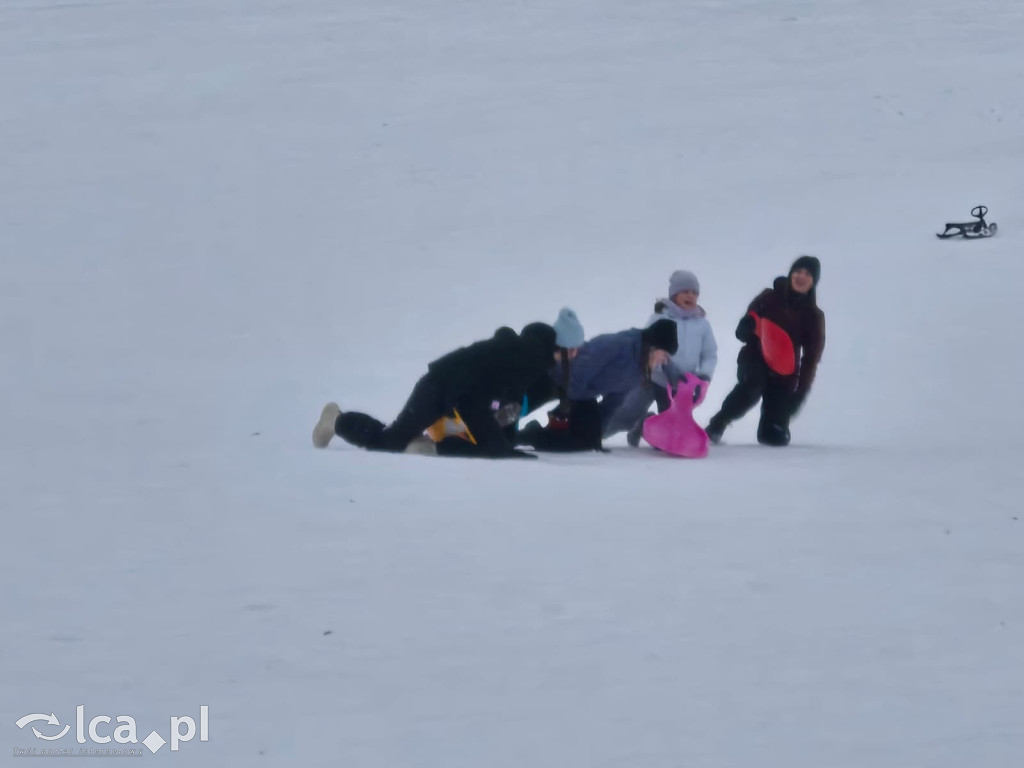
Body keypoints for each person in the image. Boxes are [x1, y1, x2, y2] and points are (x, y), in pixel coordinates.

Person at [312, 308, 586, 459]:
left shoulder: (534, 357)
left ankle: (429, 446)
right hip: (440, 386)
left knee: (490, 445)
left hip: (456, 395)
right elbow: (475, 398)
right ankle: (336, 420)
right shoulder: (529, 356)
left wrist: (503, 441)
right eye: (573, 350)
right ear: (561, 346)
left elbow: (506, 400)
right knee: (390, 442)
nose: (574, 356)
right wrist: (498, 445)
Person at [704, 255, 826, 446]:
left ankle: (773, 426)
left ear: (813, 281)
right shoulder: (769, 297)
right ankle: (718, 424)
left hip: (784, 372)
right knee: (753, 385)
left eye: (807, 274)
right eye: (798, 271)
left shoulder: (814, 316)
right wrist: (746, 325)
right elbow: (745, 328)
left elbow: (811, 359)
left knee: (774, 438)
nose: (801, 276)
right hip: (755, 358)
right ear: (791, 274)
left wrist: (799, 395)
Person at [514, 318, 679, 452]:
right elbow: (583, 366)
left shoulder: (640, 371)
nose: (663, 362)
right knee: (519, 406)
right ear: (653, 347)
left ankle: (533, 434)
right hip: (558, 378)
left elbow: (615, 401)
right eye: (664, 355)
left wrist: (597, 433)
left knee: (587, 443)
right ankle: (498, 427)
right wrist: (571, 403)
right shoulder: (620, 344)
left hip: (581, 394)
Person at [607, 269, 718, 446]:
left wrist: (704, 375)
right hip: (652, 378)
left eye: (695, 293)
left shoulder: (702, 325)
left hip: (680, 385)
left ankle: (643, 425)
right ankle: (594, 433)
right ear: (674, 294)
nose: (691, 296)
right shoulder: (659, 318)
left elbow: (709, 354)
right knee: (628, 412)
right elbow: (647, 344)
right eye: (686, 291)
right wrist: (656, 364)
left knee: (668, 438)